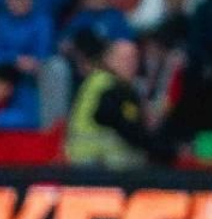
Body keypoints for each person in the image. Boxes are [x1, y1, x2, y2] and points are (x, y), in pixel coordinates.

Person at [66, 38, 174, 167]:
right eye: (124, 59)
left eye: (134, 58)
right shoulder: (112, 88)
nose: (131, 64)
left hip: (86, 161)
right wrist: (167, 152)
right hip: (101, 164)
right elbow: (129, 129)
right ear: (108, 59)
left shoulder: (97, 81)